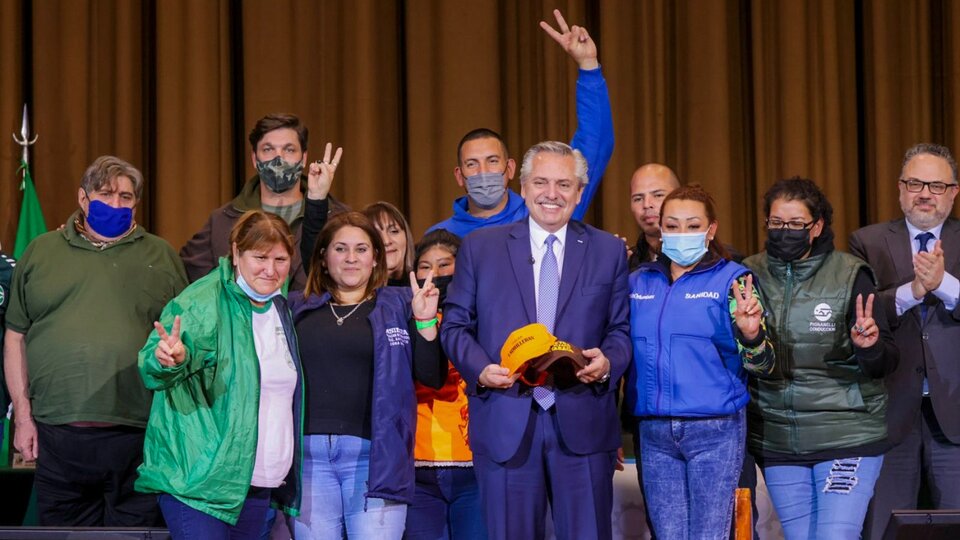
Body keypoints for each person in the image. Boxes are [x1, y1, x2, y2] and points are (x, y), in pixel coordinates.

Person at [442, 141, 630, 540]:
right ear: (523, 187)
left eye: (564, 184)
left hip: (583, 421)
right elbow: (455, 326)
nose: (551, 194)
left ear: (580, 193)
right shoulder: (480, 248)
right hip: (505, 418)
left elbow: (620, 331)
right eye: (541, 182)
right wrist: (481, 370)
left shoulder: (608, 250)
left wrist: (609, 362)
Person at [3, 155, 187, 526]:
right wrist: (22, 416)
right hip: (57, 434)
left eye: (126, 197)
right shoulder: (40, 252)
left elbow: (182, 340)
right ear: (83, 199)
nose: (116, 204)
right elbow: (15, 338)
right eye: (105, 194)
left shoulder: (162, 255)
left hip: (139, 435)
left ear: (137, 202)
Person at [743, 177, 898, 539]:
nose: (784, 232)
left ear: (817, 226)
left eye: (795, 224)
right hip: (779, 440)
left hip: (846, 434)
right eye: (776, 223)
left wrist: (868, 346)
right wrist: (748, 336)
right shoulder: (749, 273)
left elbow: (885, 362)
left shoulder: (849, 274)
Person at [136, 211, 303, 539]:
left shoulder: (280, 307)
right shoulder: (203, 302)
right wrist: (169, 360)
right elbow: (153, 363)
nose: (271, 270)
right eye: (260, 257)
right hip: (199, 485)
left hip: (256, 487)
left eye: (281, 259)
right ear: (236, 253)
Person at [624, 185, 775, 540]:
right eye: (672, 226)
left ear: (710, 230)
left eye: (692, 226)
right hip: (655, 431)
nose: (681, 234)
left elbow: (764, 365)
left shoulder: (734, 280)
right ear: (660, 229)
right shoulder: (636, 282)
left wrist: (751, 335)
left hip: (716, 430)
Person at [288, 211, 446, 539]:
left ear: (376, 258)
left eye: (361, 249)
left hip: (375, 459)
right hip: (309, 461)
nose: (351, 258)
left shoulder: (401, 304)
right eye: (340, 249)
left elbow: (431, 376)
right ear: (323, 257)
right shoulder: (297, 309)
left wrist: (425, 322)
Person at [849, 143, 960, 539]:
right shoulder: (869, 241)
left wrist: (942, 285)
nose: (925, 193)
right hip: (891, 411)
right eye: (915, 183)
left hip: (955, 413)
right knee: (884, 527)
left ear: (953, 192)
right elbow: (862, 309)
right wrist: (914, 290)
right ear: (900, 189)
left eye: (936, 185)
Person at [427, 9, 613, 237]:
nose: (484, 172)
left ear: (511, 168)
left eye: (493, 161)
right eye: (472, 164)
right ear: (459, 175)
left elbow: (595, 144)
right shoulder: (440, 237)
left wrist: (588, 66)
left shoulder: (545, 211)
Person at [180, 113, 346, 288]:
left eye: (289, 149)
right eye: (268, 149)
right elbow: (194, 286)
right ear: (254, 159)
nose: (278, 158)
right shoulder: (221, 221)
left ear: (304, 158)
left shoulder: (338, 218)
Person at [404, 230, 486, 540]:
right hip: (418, 466)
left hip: (473, 464)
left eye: (444, 265)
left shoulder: (482, 319)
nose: (434, 275)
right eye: (425, 266)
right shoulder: (404, 317)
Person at [628, 163, 680, 270]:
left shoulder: (717, 261)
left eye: (658, 195)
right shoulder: (628, 262)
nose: (646, 205)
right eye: (638, 199)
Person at [363, 202, 415, 287]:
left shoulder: (424, 284)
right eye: (376, 235)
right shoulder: (357, 294)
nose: (386, 241)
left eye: (394, 231)